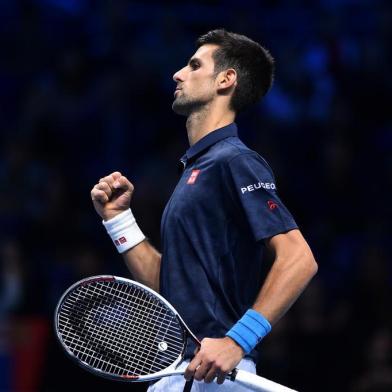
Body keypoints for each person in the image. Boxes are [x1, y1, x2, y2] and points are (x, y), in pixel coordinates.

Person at [91, 29, 318, 391]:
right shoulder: (197, 170)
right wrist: (119, 220)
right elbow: (168, 290)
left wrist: (237, 341)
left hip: (216, 376)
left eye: (194, 65)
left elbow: (299, 259)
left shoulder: (235, 160)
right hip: (178, 372)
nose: (178, 74)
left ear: (226, 80)